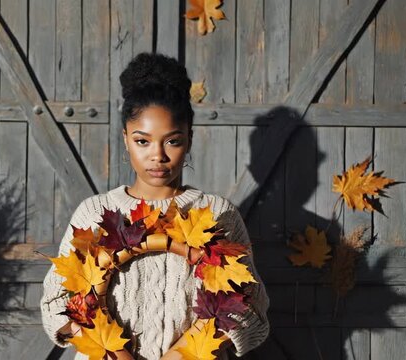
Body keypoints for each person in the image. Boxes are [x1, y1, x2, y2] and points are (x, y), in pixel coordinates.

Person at [41, 52, 270, 359]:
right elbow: (57, 304)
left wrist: (181, 356)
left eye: (172, 141)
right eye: (142, 141)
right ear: (125, 139)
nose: (158, 155)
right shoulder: (94, 213)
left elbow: (251, 309)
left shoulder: (217, 213)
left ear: (189, 137)